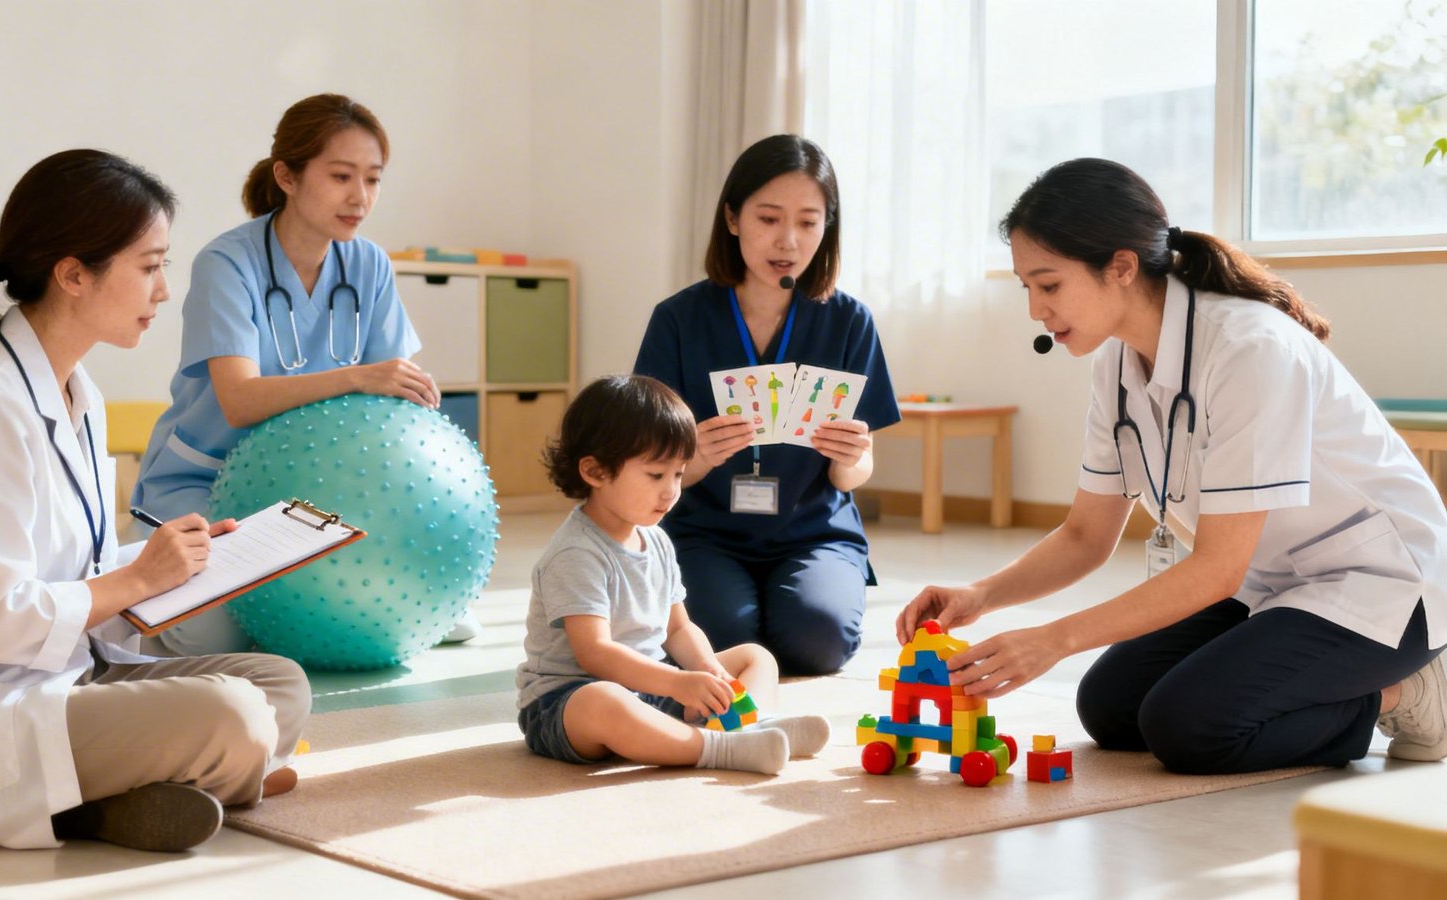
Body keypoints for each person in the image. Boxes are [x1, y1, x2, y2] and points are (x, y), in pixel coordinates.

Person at [897, 157, 1447, 774]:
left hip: (1384, 586)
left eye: (1048, 285)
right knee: (1110, 707)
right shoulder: (1117, 363)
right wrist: (982, 595)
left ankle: (1407, 694)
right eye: (1027, 287)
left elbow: (1215, 568)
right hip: (1275, 584)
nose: (1035, 309)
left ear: (1122, 267)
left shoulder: (1250, 348)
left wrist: (1053, 640)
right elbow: (1085, 535)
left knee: (1189, 729)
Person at [0, 150, 311, 852]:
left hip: (55, 674)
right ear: (72, 274)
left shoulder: (76, 392)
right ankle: (98, 803)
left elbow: (70, 568)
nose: (162, 292)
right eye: (150, 267)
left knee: (279, 683)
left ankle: (117, 793)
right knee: (234, 717)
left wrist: (184, 562)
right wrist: (139, 578)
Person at [131, 93, 479, 655]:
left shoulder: (368, 264)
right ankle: (149, 558)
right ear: (287, 176)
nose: (359, 197)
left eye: (372, 179)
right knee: (203, 635)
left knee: (441, 615)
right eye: (341, 176)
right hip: (207, 484)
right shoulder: (227, 264)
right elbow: (240, 402)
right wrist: (357, 377)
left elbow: (394, 397)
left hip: (311, 489)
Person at [634, 135, 900, 676]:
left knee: (818, 642)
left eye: (808, 222)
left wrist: (852, 457)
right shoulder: (678, 319)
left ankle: (793, 603)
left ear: (828, 227)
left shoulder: (849, 321)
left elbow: (852, 475)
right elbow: (645, 463)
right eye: (769, 218)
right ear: (732, 219)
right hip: (704, 530)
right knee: (720, 639)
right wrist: (699, 456)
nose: (788, 241)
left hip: (814, 530)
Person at [515, 375, 831, 774]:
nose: (671, 491)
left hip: (650, 689)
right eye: (655, 475)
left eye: (679, 474)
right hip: (566, 702)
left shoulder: (657, 540)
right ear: (595, 472)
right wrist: (677, 684)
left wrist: (707, 671)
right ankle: (722, 748)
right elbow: (595, 654)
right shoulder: (576, 552)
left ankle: (752, 723)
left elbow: (678, 630)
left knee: (755, 657)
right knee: (604, 701)